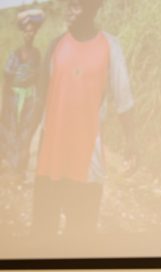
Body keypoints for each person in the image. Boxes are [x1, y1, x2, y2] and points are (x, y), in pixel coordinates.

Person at [31, 0, 134, 237]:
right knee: (42, 234)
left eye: (76, 6)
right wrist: (24, 140)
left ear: (94, 8)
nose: (69, 11)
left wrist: (132, 142)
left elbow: (124, 99)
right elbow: (40, 99)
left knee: (80, 234)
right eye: (68, 5)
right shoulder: (56, 46)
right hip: (51, 158)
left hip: (87, 160)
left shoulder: (111, 47)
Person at [1, 8, 45, 179]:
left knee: (26, 131)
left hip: (29, 98)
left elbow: (37, 77)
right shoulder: (15, 54)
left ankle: (20, 168)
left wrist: (37, 98)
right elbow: (7, 79)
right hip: (13, 97)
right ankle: (8, 166)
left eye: (32, 32)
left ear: (35, 34)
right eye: (27, 32)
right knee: (10, 129)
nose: (30, 34)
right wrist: (4, 103)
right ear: (23, 34)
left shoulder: (37, 54)